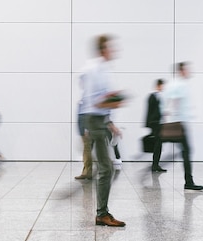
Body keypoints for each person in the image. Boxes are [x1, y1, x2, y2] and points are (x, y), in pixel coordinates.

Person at [79, 34, 126, 227]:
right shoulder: (94, 69)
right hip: (94, 120)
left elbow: (101, 100)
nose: (113, 51)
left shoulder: (103, 69)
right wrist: (114, 100)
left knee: (106, 167)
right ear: (102, 50)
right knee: (106, 168)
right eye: (110, 47)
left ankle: (102, 212)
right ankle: (101, 214)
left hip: (100, 120)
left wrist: (110, 122)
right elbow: (94, 101)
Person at [156, 62, 203, 191]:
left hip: (174, 122)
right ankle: (188, 182)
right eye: (186, 69)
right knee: (186, 151)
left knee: (184, 151)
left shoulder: (172, 84)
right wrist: (174, 119)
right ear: (181, 71)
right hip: (178, 123)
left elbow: (167, 103)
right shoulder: (179, 85)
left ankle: (188, 180)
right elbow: (173, 102)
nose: (188, 72)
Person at [147, 79, 166, 172]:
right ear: (159, 85)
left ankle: (155, 164)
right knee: (158, 144)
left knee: (158, 144)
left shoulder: (158, 96)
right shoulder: (153, 96)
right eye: (162, 85)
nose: (163, 88)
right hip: (155, 124)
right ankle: (155, 165)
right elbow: (150, 112)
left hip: (158, 123)